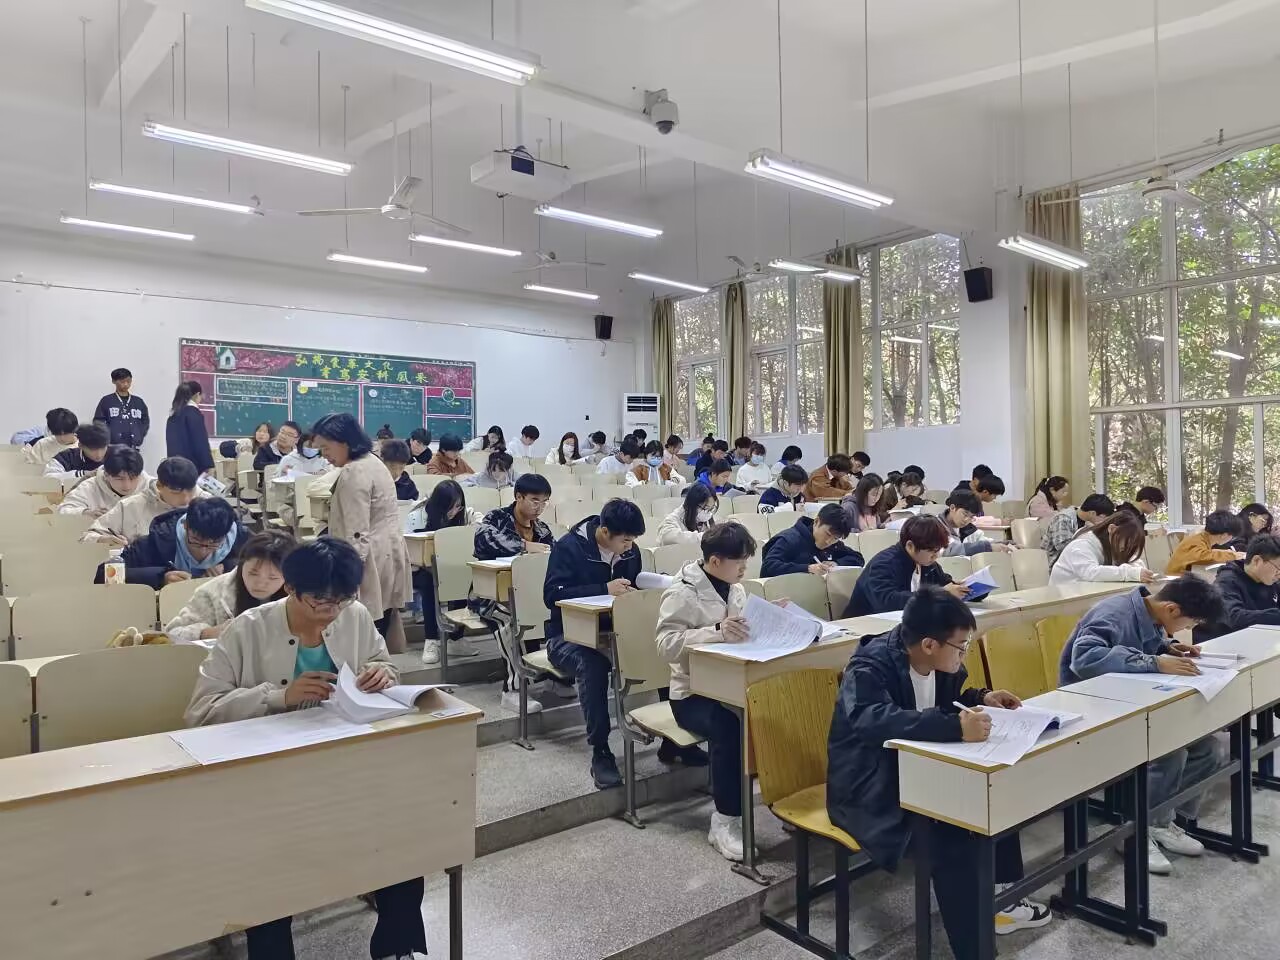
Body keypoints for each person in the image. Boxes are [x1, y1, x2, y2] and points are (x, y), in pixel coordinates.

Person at [183, 537, 423, 960]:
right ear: (291, 588)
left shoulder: (354, 615)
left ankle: (396, 947)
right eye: (320, 601)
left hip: (346, 768)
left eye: (341, 600)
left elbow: (383, 662)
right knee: (268, 874)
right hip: (269, 781)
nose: (332, 611)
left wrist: (382, 673)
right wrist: (278, 696)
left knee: (404, 841)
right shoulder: (249, 628)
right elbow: (200, 712)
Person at [827, 588, 1050, 952]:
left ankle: (1003, 901)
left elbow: (944, 701)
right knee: (954, 839)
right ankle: (975, 951)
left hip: (921, 771)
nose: (964, 653)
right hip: (870, 787)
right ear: (929, 644)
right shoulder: (870, 666)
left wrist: (980, 698)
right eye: (961, 646)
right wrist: (953, 728)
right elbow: (871, 720)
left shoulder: (940, 661)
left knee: (996, 797)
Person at [1059, 576, 1226, 875]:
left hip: (1133, 703)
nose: (1188, 628)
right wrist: (1154, 662)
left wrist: (1168, 648)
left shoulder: (1151, 613)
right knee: (1169, 753)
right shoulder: (1113, 613)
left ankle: (1159, 821)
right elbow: (1084, 658)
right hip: (1093, 709)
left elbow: (1142, 644)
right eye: (1191, 622)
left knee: (1209, 749)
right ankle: (1134, 832)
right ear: (1172, 609)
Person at [656, 521, 759, 861]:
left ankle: (784, 799)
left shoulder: (734, 587)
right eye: (739, 562)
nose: (744, 569)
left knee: (772, 709)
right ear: (715, 561)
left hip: (729, 683)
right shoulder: (682, 592)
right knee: (729, 725)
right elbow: (665, 645)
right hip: (691, 694)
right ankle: (725, 821)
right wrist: (715, 631)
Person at [545, 499, 662, 789]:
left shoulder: (630, 551)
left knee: (663, 647)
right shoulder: (569, 547)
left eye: (633, 540)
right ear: (605, 531)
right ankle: (600, 750)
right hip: (567, 636)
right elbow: (552, 596)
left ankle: (674, 741)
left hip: (616, 630)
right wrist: (603, 589)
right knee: (593, 665)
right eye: (625, 540)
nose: (629, 546)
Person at [312, 413, 412, 653]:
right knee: (379, 623)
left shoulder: (354, 472)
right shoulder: (374, 462)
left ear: (344, 441)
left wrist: (348, 577)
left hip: (368, 560)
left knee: (363, 633)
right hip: (386, 552)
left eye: (326, 448)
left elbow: (355, 532)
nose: (324, 455)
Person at [473, 473, 558, 711]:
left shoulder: (542, 529)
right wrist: (524, 546)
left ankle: (556, 678)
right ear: (518, 497)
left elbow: (555, 555)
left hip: (529, 594)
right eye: (534, 500)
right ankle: (512, 690)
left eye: (544, 502)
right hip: (491, 596)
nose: (539, 507)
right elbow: (483, 539)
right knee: (510, 622)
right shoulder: (497, 518)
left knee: (561, 614)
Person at [165, 530, 297, 647]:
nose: (261, 584)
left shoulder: (302, 594)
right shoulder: (213, 592)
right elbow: (172, 634)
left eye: (273, 578)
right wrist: (207, 633)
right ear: (242, 564)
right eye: (253, 573)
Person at [97, 496, 245, 589]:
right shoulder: (157, 541)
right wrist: (160, 577)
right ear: (185, 526)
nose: (204, 551)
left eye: (214, 544)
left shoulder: (239, 536)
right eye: (196, 541)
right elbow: (103, 575)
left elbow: (257, 562)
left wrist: (229, 567)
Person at [408, 480, 481, 661]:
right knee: (429, 583)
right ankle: (431, 640)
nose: (454, 511)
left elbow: (481, 523)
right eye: (451, 506)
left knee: (463, 576)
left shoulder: (464, 514)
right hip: (419, 569)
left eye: (458, 506)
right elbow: (408, 553)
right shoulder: (417, 516)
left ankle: (456, 638)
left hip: (450, 567)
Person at [844, 516, 967, 617]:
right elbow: (887, 602)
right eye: (932, 551)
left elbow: (944, 583)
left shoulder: (928, 564)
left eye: (938, 550)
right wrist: (939, 594)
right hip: (866, 626)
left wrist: (963, 588)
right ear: (910, 546)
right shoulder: (884, 564)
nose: (936, 556)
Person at [85, 455, 203, 545]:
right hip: (146, 567)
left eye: (191, 490)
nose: (186, 499)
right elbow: (89, 535)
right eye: (176, 492)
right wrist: (105, 540)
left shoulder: (204, 501)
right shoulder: (131, 506)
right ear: (159, 486)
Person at [1194, 534, 1280, 642]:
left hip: (1256, 639)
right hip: (1223, 643)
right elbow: (1235, 617)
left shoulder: (1268, 580)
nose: (1279, 574)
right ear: (1256, 560)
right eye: (1278, 568)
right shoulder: (1227, 581)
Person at [1049, 510, 1153, 586]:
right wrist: (1130, 573)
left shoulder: (1112, 543)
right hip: (1062, 600)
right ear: (1112, 529)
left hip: (1084, 595)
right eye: (1127, 540)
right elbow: (1091, 572)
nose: (1127, 546)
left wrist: (1138, 570)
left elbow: (1134, 561)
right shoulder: (1082, 544)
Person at [761, 503, 863, 577]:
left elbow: (858, 558)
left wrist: (837, 563)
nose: (828, 542)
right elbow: (767, 567)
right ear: (817, 522)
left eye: (835, 538)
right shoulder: (789, 539)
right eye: (827, 534)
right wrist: (807, 568)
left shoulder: (833, 544)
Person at [57, 445, 147, 518]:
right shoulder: (89, 487)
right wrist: (85, 513)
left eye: (133, 478)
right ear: (106, 475)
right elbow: (62, 510)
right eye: (120, 479)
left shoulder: (149, 486)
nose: (127, 486)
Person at [1042, 493, 1116, 570]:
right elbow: (1062, 547)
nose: (1104, 522)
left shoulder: (1086, 520)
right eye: (1103, 518)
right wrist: (1085, 531)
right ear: (1092, 513)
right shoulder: (1064, 519)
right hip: (1056, 563)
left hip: (1076, 560)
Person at [939, 490, 1012, 558]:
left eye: (971, 517)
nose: (967, 520)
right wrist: (987, 547)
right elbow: (947, 550)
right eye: (965, 514)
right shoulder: (936, 526)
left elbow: (983, 541)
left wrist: (1005, 544)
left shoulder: (969, 529)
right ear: (952, 508)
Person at [1166, 509, 1242, 575]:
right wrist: (1233, 556)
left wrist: (1229, 553)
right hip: (1176, 581)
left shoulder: (1201, 538)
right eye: (1232, 535)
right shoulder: (1196, 541)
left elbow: (1206, 553)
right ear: (1224, 535)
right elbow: (1203, 556)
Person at [165, 380, 214, 474]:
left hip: (174, 468)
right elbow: (200, 443)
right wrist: (208, 465)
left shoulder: (173, 416)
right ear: (198, 394)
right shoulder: (193, 414)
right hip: (192, 469)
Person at [93, 367, 149, 449]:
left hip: (133, 447)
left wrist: (139, 434)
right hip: (112, 447)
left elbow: (145, 421)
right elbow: (98, 422)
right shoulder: (106, 401)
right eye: (122, 381)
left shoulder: (138, 402)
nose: (126, 384)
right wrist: (108, 436)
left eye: (128, 381)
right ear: (114, 381)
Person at [44, 423, 109, 480]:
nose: (99, 454)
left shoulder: (114, 454)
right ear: (80, 446)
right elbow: (48, 477)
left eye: (103, 448)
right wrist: (81, 474)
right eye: (92, 449)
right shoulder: (66, 457)